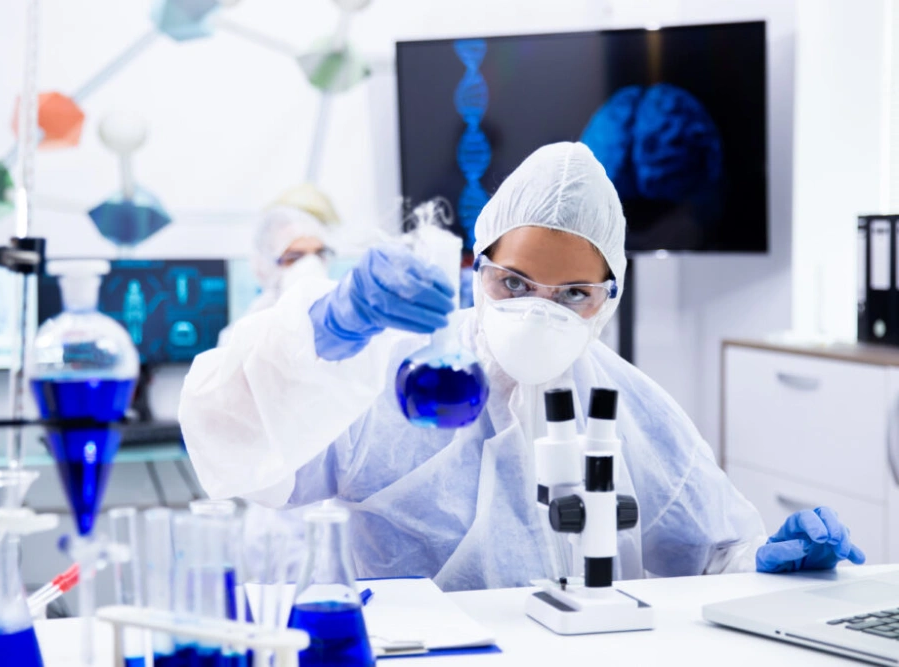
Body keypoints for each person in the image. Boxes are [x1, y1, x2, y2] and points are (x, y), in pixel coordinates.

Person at [180, 142, 864, 591]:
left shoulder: (627, 401)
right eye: (514, 283)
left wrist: (775, 562)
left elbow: (719, 551)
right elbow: (230, 446)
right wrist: (332, 327)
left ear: (607, 297)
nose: (540, 311)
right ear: (476, 268)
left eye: (572, 295)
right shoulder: (398, 375)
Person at [217, 205, 334, 347]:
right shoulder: (243, 336)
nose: (311, 264)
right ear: (266, 265)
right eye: (294, 257)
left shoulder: (344, 324)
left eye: (319, 254)